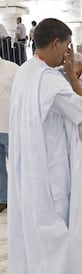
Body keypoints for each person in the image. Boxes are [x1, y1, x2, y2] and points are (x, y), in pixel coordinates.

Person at [8, 18, 82, 274]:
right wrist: (72, 74)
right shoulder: (50, 80)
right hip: (53, 173)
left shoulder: (25, 72)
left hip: (31, 169)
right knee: (58, 238)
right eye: (67, 46)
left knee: (36, 234)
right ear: (57, 43)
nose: (68, 53)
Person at [0, 57, 19, 213]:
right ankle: (3, 198)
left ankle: (21, 197)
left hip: (11, 127)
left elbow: (22, 96)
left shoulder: (12, 68)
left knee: (17, 166)